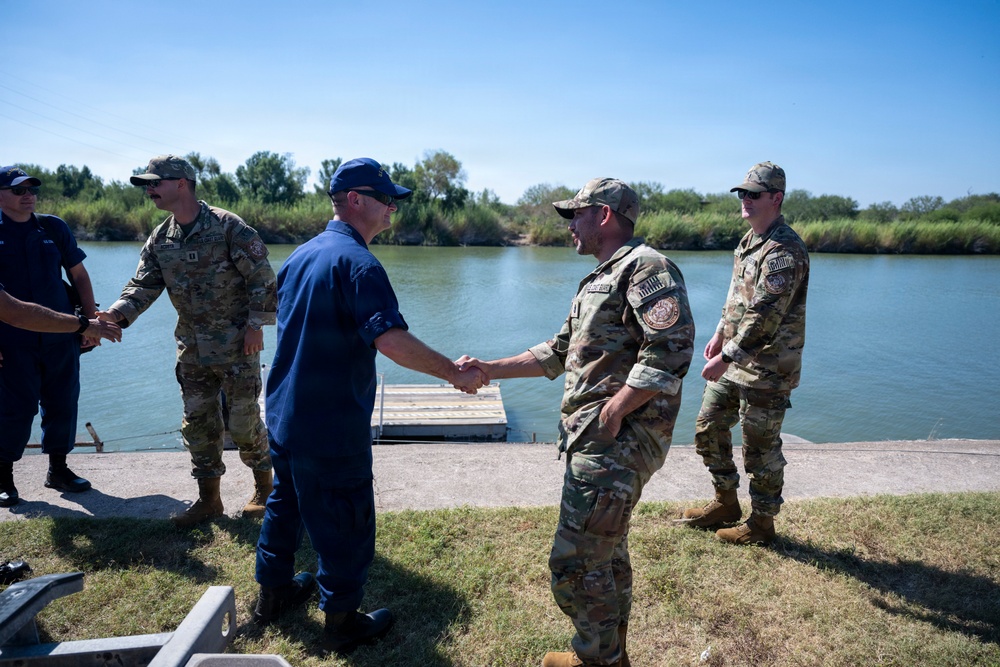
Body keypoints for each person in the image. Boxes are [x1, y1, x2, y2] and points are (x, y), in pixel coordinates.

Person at [252, 158, 486, 656]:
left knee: (285, 503)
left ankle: (271, 596)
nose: (392, 210)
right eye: (386, 200)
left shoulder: (300, 256)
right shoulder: (358, 264)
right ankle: (340, 623)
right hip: (330, 422)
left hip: (285, 413)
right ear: (356, 200)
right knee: (345, 519)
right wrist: (454, 373)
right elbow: (391, 340)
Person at [458, 178, 695, 667]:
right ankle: (610, 655)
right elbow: (558, 352)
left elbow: (670, 353)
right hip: (600, 442)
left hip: (617, 445)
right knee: (606, 559)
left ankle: (594, 660)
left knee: (574, 565)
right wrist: (487, 369)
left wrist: (613, 412)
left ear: (604, 215)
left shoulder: (646, 268)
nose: (569, 225)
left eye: (576, 214)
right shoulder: (600, 277)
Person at [97, 155, 277, 528]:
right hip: (192, 351)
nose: (149, 190)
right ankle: (209, 501)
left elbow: (262, 277)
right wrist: (114, 315)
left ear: (182, 183)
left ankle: (265, 489)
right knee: (199, 425)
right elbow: (143, 285)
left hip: (238, 347)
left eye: (154, 183)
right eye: (147, 184)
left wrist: (256, 326)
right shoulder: (161, 238)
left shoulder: (228, 227)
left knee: (243, 424)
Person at [681, 161, 809, 546]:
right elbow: (738, 296)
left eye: (754, 194)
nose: (745, 200)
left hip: (767, 369)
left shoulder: (785, 250)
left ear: (776, 198)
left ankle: (762, 525)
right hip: (736, 361)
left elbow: (765, 314)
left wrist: (727, 356)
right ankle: (725, 503)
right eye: (742, 193)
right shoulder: (749, 242)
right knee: (708, 427)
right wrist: (720, 333)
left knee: (760, 450)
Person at [0, 166, 101, 508]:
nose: (27, 195)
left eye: (31, 189)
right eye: (17, 190)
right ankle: (3, 478)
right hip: (11, 340)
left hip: (62, 336)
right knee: (16, 408)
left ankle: (58, 469)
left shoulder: (53, 227)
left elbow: (79, 275)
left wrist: (90, 322)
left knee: (63, 403)